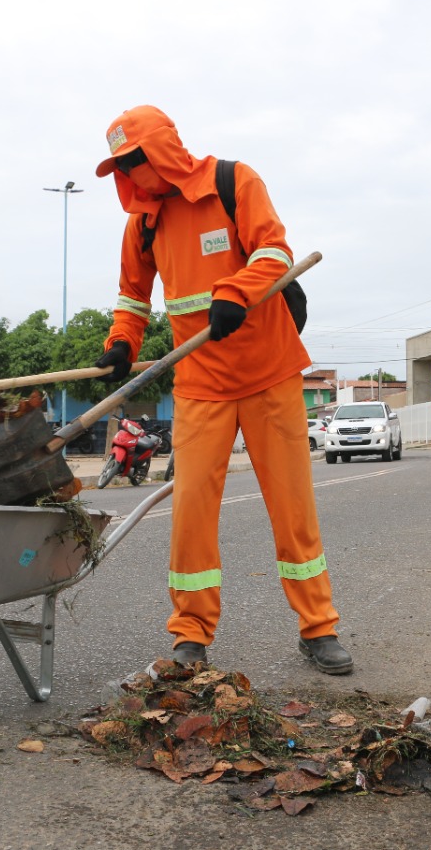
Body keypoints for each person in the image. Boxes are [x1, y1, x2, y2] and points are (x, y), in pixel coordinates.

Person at [92, 105, 352, 675]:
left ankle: (319, 628)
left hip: (269, 375)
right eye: (121, 171)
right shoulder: (144, 225)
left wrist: (237, 290)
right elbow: (132, 297)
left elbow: (275, 252)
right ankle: (190, 635)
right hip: (201, 385)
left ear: (159, 152)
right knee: (190, 511)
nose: (130, 180)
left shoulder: (234, 183)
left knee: (292, 509)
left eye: (133, 164)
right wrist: (121, 343)